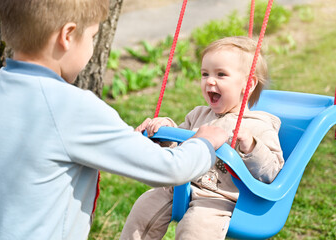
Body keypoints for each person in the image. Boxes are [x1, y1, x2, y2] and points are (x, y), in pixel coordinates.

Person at [0, 1, 230, 240]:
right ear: (68, 35)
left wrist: (131, 142)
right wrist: (203, 143)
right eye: (93, 36)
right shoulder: (72, 107)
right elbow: (170, 169)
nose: (92, 46)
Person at [120, 36, 285, 240]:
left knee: (194, 230)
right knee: (144, 209)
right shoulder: (198, 114)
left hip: (217, 198)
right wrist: (165, 129)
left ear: (248, 84)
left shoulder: (258, 125)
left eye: (221, 74)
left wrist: (251, 145)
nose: (210, 81)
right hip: (179, 187)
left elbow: (272, 172)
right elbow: (177, 147)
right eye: (205, 74)